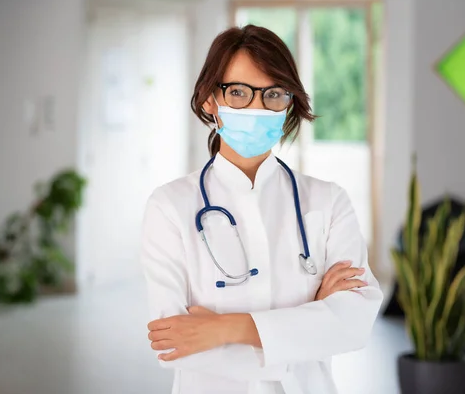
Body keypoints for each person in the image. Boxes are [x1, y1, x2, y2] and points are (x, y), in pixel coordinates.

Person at [139, 24, 384, 394]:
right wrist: (311, 322)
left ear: (289, 103)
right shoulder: (170, 206)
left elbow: (355, 323)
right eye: (237, 92)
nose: (257, 107)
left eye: (273, 94)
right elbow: (173, 343)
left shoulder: (328, 202)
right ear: (209, 99)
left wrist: (226, 328)